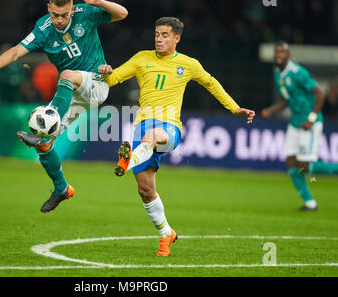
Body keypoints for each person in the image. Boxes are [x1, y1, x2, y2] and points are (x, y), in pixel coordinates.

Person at [98, 17, 255, 256]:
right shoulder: (142, 58)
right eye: (157, 34)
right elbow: (113, 79)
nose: (159, 39)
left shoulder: (188, 64)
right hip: (142, 126)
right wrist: (106, 72)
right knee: (146, 191)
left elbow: (211, 84)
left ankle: (127, 162)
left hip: (169, 127)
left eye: (164, 35)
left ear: (176, 38)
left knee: (153, 135)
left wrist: (234, 108)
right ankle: (166, 234)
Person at [0, 0, 128, 212]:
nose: (59, 20)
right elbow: (17, 50)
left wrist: (98, 1)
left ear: (72, 9)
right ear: (49, 9)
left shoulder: (85, 13)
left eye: (65, 15)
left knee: (66, 75)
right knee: (43, 143)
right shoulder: (43, 28)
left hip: (96, 83)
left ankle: (51, 115)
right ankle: (62, 188)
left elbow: (122, 13)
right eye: (55, 15)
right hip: (73, 93)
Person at [261, 41, 338, 212]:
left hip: (309, 123)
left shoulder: (299, 73)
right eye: (277, 52)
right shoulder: (277, 74)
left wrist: (311, 118)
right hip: (295, 122)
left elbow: (320, 94)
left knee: (304, 164)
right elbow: (285, 100)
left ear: (289, 55)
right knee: (291, 162)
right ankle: (310, 203)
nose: (279, 55)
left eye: (283, 52)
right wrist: (271, 110)